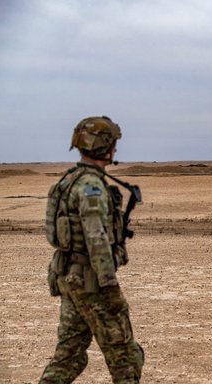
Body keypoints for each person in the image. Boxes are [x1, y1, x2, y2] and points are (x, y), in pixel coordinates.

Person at [40, 116, 144, 384]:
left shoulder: (69, 181)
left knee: (69, 357)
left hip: (69, 278)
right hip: (92, 282)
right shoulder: (91, 187)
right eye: (113, 143)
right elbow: (95, 238)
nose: (116, 150)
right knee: (126, 357)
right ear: (104, 146)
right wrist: (109, 287)